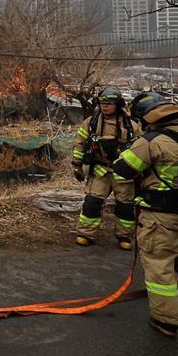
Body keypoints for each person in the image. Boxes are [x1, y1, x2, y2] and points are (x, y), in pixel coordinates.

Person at [113, 92, 178, 339]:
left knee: (160, 269)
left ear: (149, 118)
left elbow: (122, 170)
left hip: (160, 218)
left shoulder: (152, 140)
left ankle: (166, 320)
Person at [70, 87, 139, 249]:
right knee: (92, 203)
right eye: (102, 103)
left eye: (109, 103)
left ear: (118, 104)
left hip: (123, 172)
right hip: (100, 170)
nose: (105, 106)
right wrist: (77, 165)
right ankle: (86, 233)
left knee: (125, 207)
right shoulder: (91, 122)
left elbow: (140, 149)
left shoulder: (131, 126)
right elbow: (80, 143)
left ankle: (124, 237)